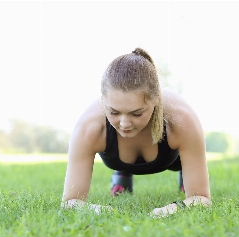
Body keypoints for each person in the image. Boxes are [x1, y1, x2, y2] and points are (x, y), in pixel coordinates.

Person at [62, 48, 211, 217]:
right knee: (121, 147)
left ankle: (185, 172)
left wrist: (172, 209)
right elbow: (69, 201)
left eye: (137, 113)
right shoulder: (89, 127)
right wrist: (101, 211)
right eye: (114, 112)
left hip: (172, 159)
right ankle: (123, 172)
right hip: (118, 159)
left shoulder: (181, 120)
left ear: (156, 99)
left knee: (184, 169)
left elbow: (201, 198)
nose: (124, 124)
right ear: (103, 101)